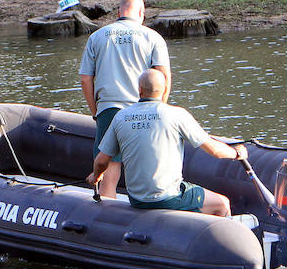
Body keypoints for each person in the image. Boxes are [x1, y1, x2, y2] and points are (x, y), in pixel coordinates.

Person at [89, 68, 249, 217]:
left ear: (139, 90)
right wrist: (237, 153)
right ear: (165, 90)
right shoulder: (176, 114)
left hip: (138, 201)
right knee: (221, 204)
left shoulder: (120, 117)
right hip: (169, 197)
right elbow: (214, 150)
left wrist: (96, 177)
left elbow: (102, 161)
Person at [79, 0, 170, 199]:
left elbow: (86, 79)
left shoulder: (97, 36)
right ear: (141, 14)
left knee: (109, 171)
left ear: (119, 12)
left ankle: (106, 215)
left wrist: (96, 112)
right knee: (147, 166)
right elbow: (163, 76)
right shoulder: (153, 37)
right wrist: (160, 108)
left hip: (109, 109)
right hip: (144, 108)